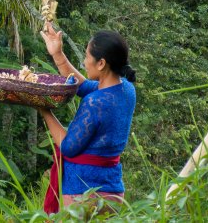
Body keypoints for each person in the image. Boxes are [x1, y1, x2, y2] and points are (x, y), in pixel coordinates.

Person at [38, 21, 137, 214]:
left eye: (86, 57)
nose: (84, 62)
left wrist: (43, 109)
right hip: (113, 192)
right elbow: (82, 86)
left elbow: (67, 147)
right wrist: (57, 54)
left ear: (101, 63)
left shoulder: (95, 103)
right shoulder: (126, 89)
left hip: (83, 194)